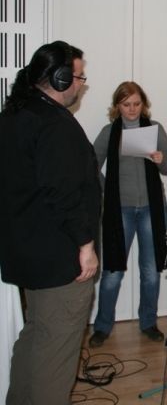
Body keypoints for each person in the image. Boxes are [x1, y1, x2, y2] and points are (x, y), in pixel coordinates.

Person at [0, 41, 101, 405]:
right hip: (59, 257)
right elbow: (63, 193)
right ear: (60, 79)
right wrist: (86, 245)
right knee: (56, 351)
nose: (81, 85)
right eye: (79, 77)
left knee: (36, 336)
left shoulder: (14, 115)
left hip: (27, 253)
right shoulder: (55, 124)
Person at [89, 81, 167, 347]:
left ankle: (148, 322)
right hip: (120, 210)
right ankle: (102, 326)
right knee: (113, 272)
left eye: (137, 104)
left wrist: (162, 160)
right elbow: (91, 165)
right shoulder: (109, 132)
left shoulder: (155, 128)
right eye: (126, 104)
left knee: (151, 271)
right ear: (117, 106)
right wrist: (107, 190)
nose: (132, 109)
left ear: (143, 104)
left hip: (151, 209)